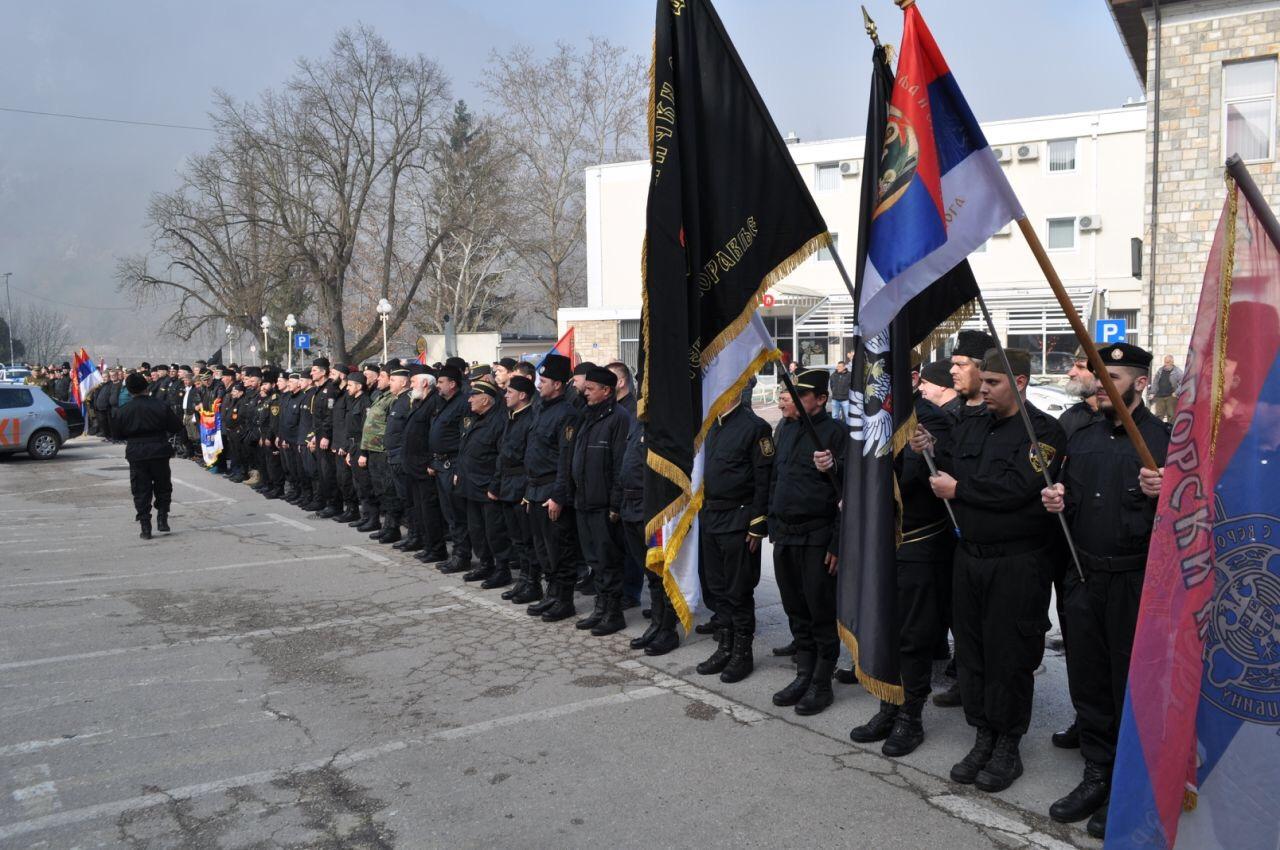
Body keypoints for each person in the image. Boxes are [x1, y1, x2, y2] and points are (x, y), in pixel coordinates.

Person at [917, 347, 1066, 794]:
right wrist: (932, 449)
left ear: (1018, 382)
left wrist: (959, 488)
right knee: (974, 652)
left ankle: (1008, 744)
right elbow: (952, 463)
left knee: (1010, 656)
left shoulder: (1044, 431)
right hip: (971, 558)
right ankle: (983, 734)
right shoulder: (972, 422)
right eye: (984, 381)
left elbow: (1018, 489)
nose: (984, 388)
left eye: (994, 382)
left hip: (1017, 562)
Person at [1041, 342, 1170, 839]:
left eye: (1111, 377)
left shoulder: (1164, 441)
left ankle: (1128, 783)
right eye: (1097, 376)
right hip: (1082, 577)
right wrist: (1057, 499)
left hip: (1135, 583)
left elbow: (1191, 522)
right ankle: (1096, 772)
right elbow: (1069, 501)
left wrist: (1168, 493)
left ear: (1139, 383)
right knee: (1088, 682)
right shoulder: (1084, 434)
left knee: (1129, 687)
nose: (1099, 384)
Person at [849, 374, 956, 757]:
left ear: (909, 377)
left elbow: (925, 477)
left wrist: (928, 449)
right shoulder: (871, 416)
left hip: (917, 541)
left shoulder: (930, 419)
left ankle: (910, 715)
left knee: (912, 635)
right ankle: (887, 705)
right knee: (885, 627)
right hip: (880, 541)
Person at [769, 368, 846, 716]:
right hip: (785, 533)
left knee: (820, 612)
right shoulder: (784, 429)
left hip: (817, 536)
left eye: (801, 396)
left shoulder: (836, 434)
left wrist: (837, 542)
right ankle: (804, 672)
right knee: (795, 609)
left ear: (821, 400)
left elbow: (847, 496)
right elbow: (777, 479)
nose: (790, 401)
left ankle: (821, 682)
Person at [695, 381, 773, 683]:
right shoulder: (713, 426)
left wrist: (757, 525)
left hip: (739, 520)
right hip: (713, 516)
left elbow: (763, 480)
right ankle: (724, 646)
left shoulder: (756, 428)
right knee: (717, 588)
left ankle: (742, 652)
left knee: (738, 590)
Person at [568, 366, 633, 636]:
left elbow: (620, 464)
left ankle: (613, 612)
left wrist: (615, 505)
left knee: (609, 561)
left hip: (604, 505)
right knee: (594, 560)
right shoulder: (587, 415)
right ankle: (600, 608)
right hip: (584, 500)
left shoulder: (619, 418)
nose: (585, 394)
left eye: (590, 389)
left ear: (607, 391)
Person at [524, 354, 584, 621]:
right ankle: (551, 593)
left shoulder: (567, 414)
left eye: (544, 380)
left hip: (552, 490)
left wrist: (558, 496)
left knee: (559, 548)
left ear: (558, 384)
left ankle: (564, 599)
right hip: (535, 488)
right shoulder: (541, 408)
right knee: (542, 548)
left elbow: (565, 458)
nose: (538, 385)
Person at [456, 378, 512, 587]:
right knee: (477, 530)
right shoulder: (475, 419)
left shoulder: (498, 422)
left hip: (487, 486)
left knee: (494, 532)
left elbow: (501, 458)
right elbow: (464, 450)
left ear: (486, 400)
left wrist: (495, 486)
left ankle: (502, 569)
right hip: (470, 484)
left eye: (474, 396)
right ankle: (485, 564)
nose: (469, 399)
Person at [112, 371, 182, 539]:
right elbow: (175, 426)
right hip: (158, 449)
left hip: (137, 452)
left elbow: (117, 435)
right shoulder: (160, 405)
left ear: (129, 390)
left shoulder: (124, 410)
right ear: (146, 387)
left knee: (141, 489)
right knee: (163, 485)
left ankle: (145, 526)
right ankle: (162, 518)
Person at [492, 375, 538, 599]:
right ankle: (524, 580)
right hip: (508, 485)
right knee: (517, 539)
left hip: (522, 485)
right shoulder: (511, 417)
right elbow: (502, 454)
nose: (505, 394)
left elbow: (529, 457)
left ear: (523, 395)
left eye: (510, 392)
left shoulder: (530, 418)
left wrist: (527, 490)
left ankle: (533, 583)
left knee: (528, 539)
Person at [429, 364, 472, 571]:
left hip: (453, 464)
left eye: (441, 382)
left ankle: (462, 555)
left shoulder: (462, 404)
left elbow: (464, 439)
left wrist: (458, 469)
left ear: (453, 384)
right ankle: (457, 552)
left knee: (457, 514)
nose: (437, 386)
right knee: (448, 513)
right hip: (441, 464)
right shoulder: (444, 402)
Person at [1148, 354, 1182, 422]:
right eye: (1165, 362)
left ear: (1172, 362)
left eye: (1168, 362)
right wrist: (1152, 393)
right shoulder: (1160, 370)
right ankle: (1158, 431)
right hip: (1160, 396)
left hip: (1171, 396)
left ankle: (1170, 431)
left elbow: (1183, 383)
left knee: (1171, 415)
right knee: (1158, 415)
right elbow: (1155, 382)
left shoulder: (1177, 371)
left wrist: (1176, 393)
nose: (1165, 364)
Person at [829, 359, 852, 423]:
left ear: (844, 367)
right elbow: (831, 385)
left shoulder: (849, 375)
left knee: (848, 417)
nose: (837, 368)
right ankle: (837, 431)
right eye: (837, 366)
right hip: (835, 399)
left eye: (839, 366)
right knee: (834, 417)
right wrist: (834, 391)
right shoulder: (833, 375)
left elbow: (852, 386)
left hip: (845, 399)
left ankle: (848, 431)